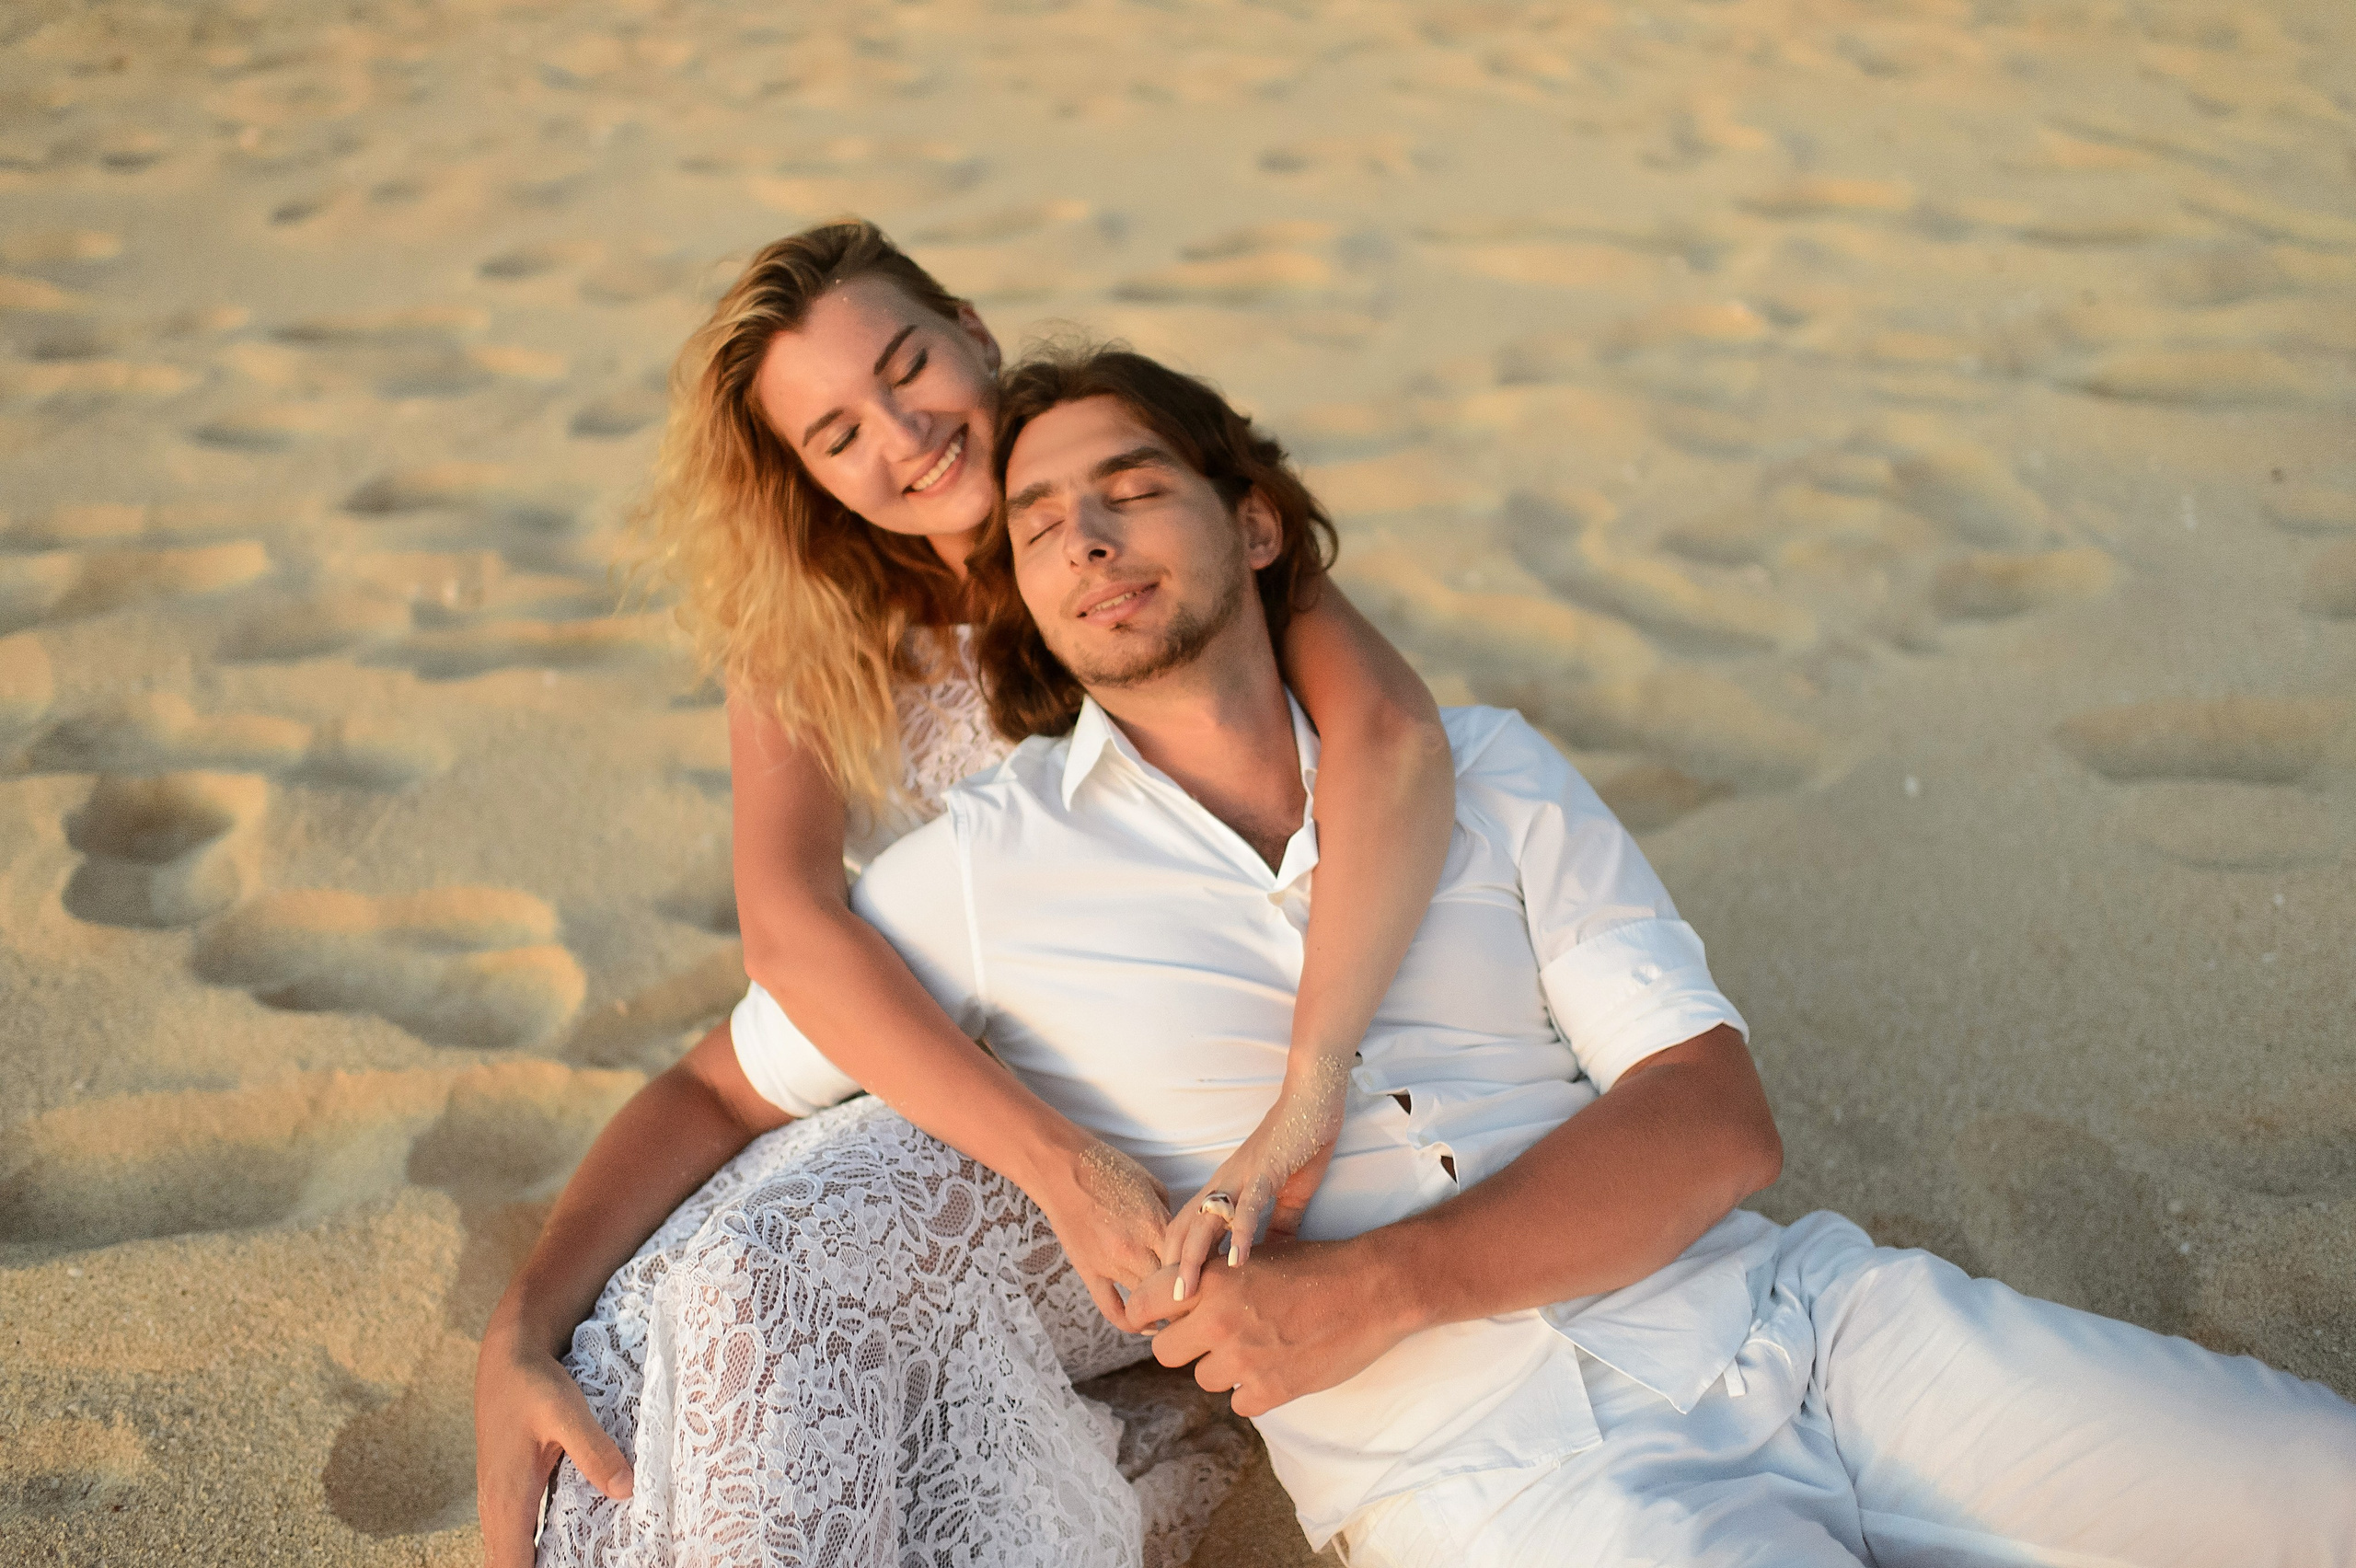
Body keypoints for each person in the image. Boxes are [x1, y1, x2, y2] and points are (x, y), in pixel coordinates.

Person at [730, 341, 2356, 1567]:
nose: (1086, 538)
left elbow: (1715, 1121)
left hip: (1808, 1328)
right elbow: (722, 1079)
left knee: (2314, 1484)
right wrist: (528, 1328)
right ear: (1014, 591)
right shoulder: (989, 875)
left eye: (1131, 488)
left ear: (1258, 524)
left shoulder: (1481, 763)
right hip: (1509, 1486)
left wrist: (1368, 1288)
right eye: (1037, 527)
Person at [472, 222, 1459, 1568]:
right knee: (665, 1325)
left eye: (906, 365)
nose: (902, 435)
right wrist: (516, 1328)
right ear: (809, 477)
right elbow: (789, 949)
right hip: (952, 1096)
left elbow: (1391, 738)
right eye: (836, 435)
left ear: (975, 331)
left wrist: (1304, 1083)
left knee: (775, 1279)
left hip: (1171, 1127)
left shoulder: (1151, 539)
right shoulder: (817, 635)